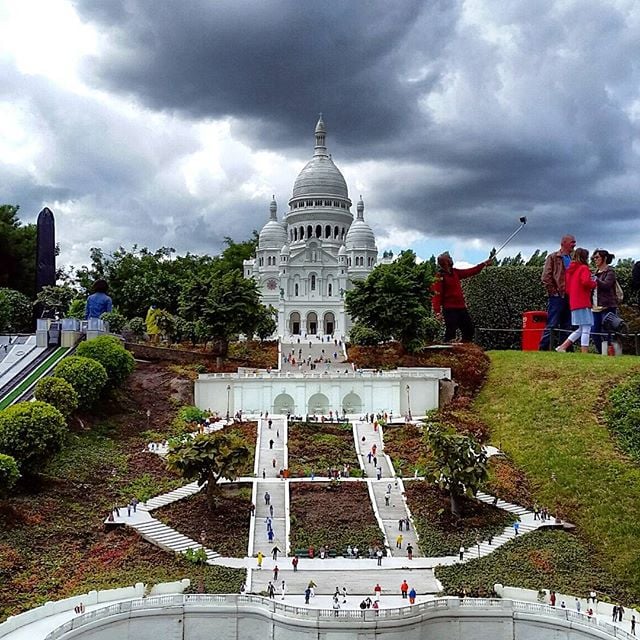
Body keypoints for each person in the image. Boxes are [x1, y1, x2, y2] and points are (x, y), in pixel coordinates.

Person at [432, 252, 493, 342]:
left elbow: (470, 271)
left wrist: (484, 264)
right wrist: (437, 312)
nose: (451, 258)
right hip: (449, 309)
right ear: (446, 262)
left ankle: (463, 350)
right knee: (451, 332)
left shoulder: (455, 272)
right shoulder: (439, 277)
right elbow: (436, 295)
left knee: (469, 330)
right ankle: (447, 352)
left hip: (461, 308)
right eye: (449, 258)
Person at [555, 248, 597, 354]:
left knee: (581, 328)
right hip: (583, 302)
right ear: (585, 257)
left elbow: (568, 288)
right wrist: (594, 282)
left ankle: (562, 347)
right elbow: (586, 282)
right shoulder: (584, 268)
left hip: (574, 303)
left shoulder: (570, 270)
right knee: (587, 327)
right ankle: (584, 352)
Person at [539, 234, 576, 350]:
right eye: (572, 242)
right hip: (557, 297)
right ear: (564, 243)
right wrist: (554, 292)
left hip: (569, 296)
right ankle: (543, 348)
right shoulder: (553, 257)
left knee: (567, 325)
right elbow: (546, 276)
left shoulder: (573, 259)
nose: (574, 244)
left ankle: (564, 348)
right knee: (552, 323)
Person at [591, 249, 618, 353]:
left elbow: (607, 285)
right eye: (594, 258)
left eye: (597, 257)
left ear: (604, 258)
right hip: (595, 307)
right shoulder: (595, 273)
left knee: (607, 332)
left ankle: (609, 354)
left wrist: (595, 280)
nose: (595, 260)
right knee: (594, 332)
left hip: (607, 306)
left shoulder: (610, 271)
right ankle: (602, 352)